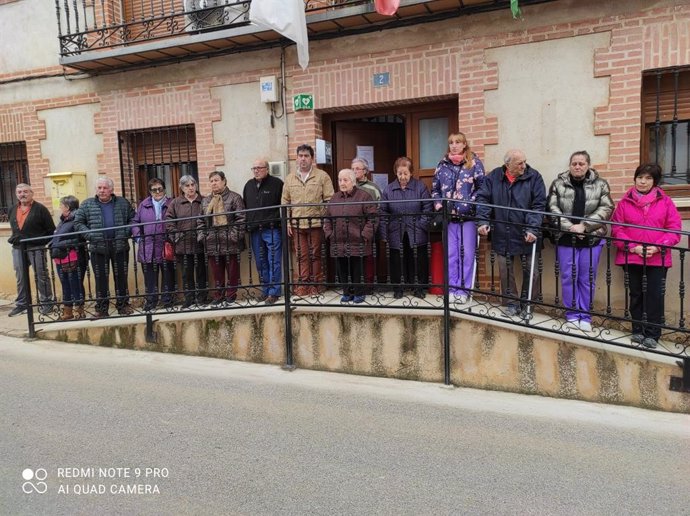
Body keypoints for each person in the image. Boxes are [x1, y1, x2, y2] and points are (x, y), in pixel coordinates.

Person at [611, 163, 681, 349]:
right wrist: (633, 247)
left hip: (657, 258)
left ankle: (652, 333)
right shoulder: (624, 203)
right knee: (636, 295)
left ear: (655, 181)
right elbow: (617, 229)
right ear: (635, 178)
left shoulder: (666, 202)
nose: (643, 181)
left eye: (648, 178)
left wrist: (658, 247)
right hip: (632, 256)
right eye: (640, 177)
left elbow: (674, 230)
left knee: (655, 296)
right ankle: (637, 330)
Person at [548, 151, 614, 332]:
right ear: (569, 165)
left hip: (591, 239)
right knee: (569, 277)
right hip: (566, 238)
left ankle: (584, 316)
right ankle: (571, 314)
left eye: (581, 164)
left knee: (587, 279)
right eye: (574, 163)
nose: (577, 167)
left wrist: (585, 226)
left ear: (588, 165)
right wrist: (571, 227)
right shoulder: (558, 184)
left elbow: (607, 207)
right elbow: (552, 208)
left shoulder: (600, 184)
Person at [475, 149, 546, 317]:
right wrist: (483, 221)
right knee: (506, 271)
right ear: (508, 165)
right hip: (502, 231)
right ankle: (512, 304)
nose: (524, 166)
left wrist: (533, 228)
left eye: (524, 161)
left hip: (527, 232)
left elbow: (539, 204)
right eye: (519, 163)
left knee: (533, 272)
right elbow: (483, 199)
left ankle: (527, 305)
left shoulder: (534, 176)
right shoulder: (493, 177)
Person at [431, 132, 485, 303]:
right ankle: (453, 289)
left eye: (458, 142)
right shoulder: (442, 165)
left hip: (467, 218)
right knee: (451, 254)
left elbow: (482, 189)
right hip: (448, 218)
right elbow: (435, 189)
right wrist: (439, 205)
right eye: (451, 142)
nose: (454, 145)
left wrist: (468, 204)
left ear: (464, 144)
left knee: (466, 255)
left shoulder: (474, 163)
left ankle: (463, 290)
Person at [74, 176, 135, 317]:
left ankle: (123, 306)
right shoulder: (87, 204)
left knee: (121, 277)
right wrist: (90, 235)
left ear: (111, 190)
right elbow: (78, 223)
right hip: (98, 248)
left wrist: (125, 233)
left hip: (119, 245)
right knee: (100, 279)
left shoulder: (122, 202)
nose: (102, 191)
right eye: (99, 188)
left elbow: (133, 219)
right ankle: (101, 309)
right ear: (96, 190)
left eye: (105, 188)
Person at [281, 144, 334, 297]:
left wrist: (323, 218)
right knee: (301, 255)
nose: (303, 159)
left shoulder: (322, 176)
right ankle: (303, 284)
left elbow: (329, 199)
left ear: (312, 158)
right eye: (300, 156)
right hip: (297, 225)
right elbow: (285, 201)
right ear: (297, 158)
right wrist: (288, 222)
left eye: (306, 156)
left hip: (315, 224)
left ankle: (315, 285)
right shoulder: (290, 178)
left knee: (315, 254)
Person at [380, 157, 433, 299]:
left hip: (416, 229)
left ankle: (419, 288)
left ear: (411, 173)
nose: (402, 177)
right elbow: (383, 211)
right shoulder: (388, 189)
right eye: (400, 173)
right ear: (395, 173)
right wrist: (385, 233)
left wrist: (421, 224)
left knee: (418, 259)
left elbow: (427, 208)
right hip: (395, 230)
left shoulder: (420, 187)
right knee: (396, 260)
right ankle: (398, 288)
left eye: (405, 173)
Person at [323, 169, 377, 303]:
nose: (342, 183)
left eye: (345, 180)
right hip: (338, 241)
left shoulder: (364, 196)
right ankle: (347, 293)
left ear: (353, 182)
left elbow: (373, 218)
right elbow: (327, 218)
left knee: (357, 269)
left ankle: (359, 293)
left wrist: (365, 235)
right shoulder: (334, 198)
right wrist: (329, 234)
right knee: (342, 269)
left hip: (357, 241)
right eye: (340, 180)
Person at [198, 171, 246, 305]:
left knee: (232, 271)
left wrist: (232, 236)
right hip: (212, 241)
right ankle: (218, 295)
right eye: (211, 181)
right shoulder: (206, 201)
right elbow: (200, 221)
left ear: (224, 181)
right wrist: (203, 237)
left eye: (216, 180)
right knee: (217, 273)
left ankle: (231, 294)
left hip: (230, 241)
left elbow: (241, 219)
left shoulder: (235, 198)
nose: (214, 183)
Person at [8, 183, 55, 317]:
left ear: (31, 193)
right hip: (18, 248)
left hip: (36, 248)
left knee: (41, 275)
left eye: (25, 192)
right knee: (20, 277)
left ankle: (46, 303)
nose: (22, 194)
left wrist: (39, 242)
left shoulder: (40, 209)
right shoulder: (12, 209)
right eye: (19, 192)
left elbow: (51, 230)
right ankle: (22, 304)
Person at [243, 158, 284, 305]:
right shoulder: (248, 185)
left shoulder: (277, 183)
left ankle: (274, 292)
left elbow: (283, 203)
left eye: (259, 168)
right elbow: (246, 207)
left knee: (274, 261)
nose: (256, 170)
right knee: (261, 263)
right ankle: (265, 291)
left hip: (271, 229)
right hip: (255, 230)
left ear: (267, 169)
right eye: (254, 168)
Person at [132, 178, 175, 311]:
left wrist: (173, 237)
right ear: (150, 191)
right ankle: (151, 301)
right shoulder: (143, 205)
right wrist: (138, 238)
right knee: (150, 275)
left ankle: (167, 300)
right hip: (148, 245)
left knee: (168, 273)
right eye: (154, 189)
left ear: (164, 189)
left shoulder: (171, 203)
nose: (157, 192)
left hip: (165, 243)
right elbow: (135, 222)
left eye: (160, 189)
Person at [166, 175, 208, 308]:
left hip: (200, 243)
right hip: (182, 245)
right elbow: (169, 221)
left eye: (192, 184)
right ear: (182, 188)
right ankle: (189, 299)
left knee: (201, 271)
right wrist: (176, 237)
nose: (190, 188)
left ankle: (202, 298)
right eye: (187, 185)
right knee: (186, 273)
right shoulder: (175, 202)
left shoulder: (204, 201)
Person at [49, 195, 88, 320]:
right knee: (65, 283)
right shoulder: (63, 220)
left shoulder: (77, 219)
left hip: (74, 257)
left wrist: (59, 244)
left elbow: (80, 237)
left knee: (75, 283)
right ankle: (68, 311)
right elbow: (58, 236)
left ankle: (79, 310)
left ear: (67, 207)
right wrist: (52, 243)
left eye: (61, 205)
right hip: (60, 256)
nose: (59, 207)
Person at [352, 156, 381, 292]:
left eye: (357, 169)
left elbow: (379, 208)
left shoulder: (373, 188)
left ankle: (369, 285)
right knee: (354, 257)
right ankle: (355, 285)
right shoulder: (349, 186)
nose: (354, 171)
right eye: (352, 169)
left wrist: (370, 229)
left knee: (369, 257)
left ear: (365, 171)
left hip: (369, 228)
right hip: (352, 229)